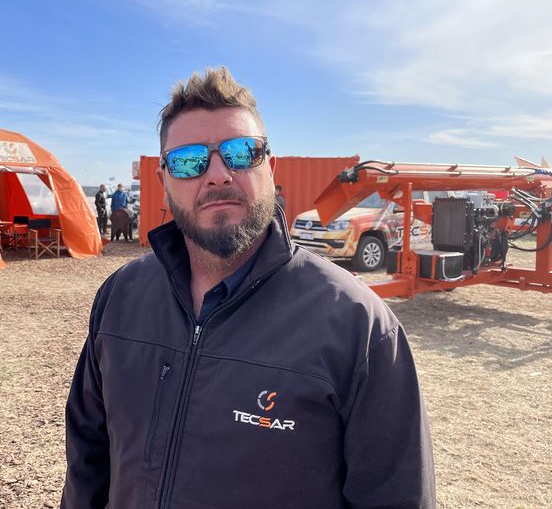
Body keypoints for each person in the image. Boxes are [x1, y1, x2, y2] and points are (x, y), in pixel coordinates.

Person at [61, 67, 435, 508]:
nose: (218, 174)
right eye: (188, 160)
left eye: (241, 153)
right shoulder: (121, 297)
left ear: (269, 168)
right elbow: (87, 462)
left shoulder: (358, 326)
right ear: (163, 182)